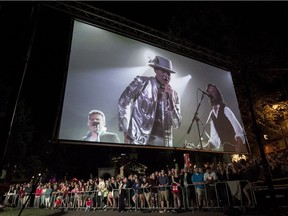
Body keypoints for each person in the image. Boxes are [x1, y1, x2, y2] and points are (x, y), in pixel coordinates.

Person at [118, 55, 182, 147]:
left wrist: (171, 100)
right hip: (139, 140)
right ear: (155, 70)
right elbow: (123, 101)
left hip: (164, 145)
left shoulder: (174, 94)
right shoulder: (142, 82)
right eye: (163, 71)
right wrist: (125, 129)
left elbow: (176, 124)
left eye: (169, 73)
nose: (166, 75)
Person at [203, 84, 247, 153]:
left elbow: (239, 131)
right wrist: (203, 148)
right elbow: (214, 139)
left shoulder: (225, 109)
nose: (211, 93)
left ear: (218, 94)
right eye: (209, 92)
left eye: (213, 91)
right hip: (227, 150)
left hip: (237, 148)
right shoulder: (212, 115)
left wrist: (238, 148)